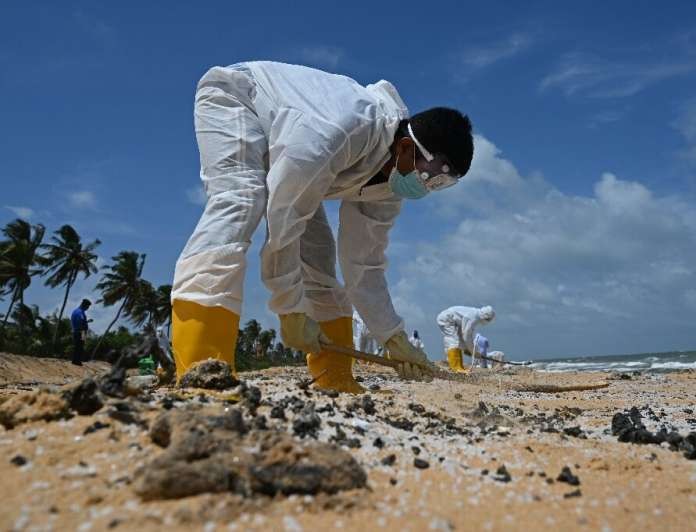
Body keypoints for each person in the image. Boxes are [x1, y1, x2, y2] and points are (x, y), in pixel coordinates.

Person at [170, 61, 474, 393]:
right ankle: (201, 371)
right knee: (241, 201)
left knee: (319, 255)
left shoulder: (390, 188)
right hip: (241, 98)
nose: (429, 188)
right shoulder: (338, 129)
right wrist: (289, 308)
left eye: (442, 185)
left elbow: (364, 265)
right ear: (405, 147)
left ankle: (335, 377)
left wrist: (393, 337)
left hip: (296, 153)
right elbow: (284, 218)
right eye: (433, 177)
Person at [436, 306, 495, 372]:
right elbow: (467, 336)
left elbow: (464, 336)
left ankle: (459, 367)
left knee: (459, 343)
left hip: (453, 321)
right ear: (486, 317)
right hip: (447, 319)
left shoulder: (475, 315)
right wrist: (474, 352)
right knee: (453, 341)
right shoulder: (473, 317)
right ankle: (456, 368)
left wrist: (467, 349)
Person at [70, 299, 91, 366]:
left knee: (77, 346)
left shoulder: (76, 311)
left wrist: (87, 322)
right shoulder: (80, 312)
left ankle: (76, 360)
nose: (88, 308)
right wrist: (84, 327)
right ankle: (77, 361)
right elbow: (80, 321)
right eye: (87, 307)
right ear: (85, 305)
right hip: (80, 332)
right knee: (79, 347)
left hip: (77, 331)